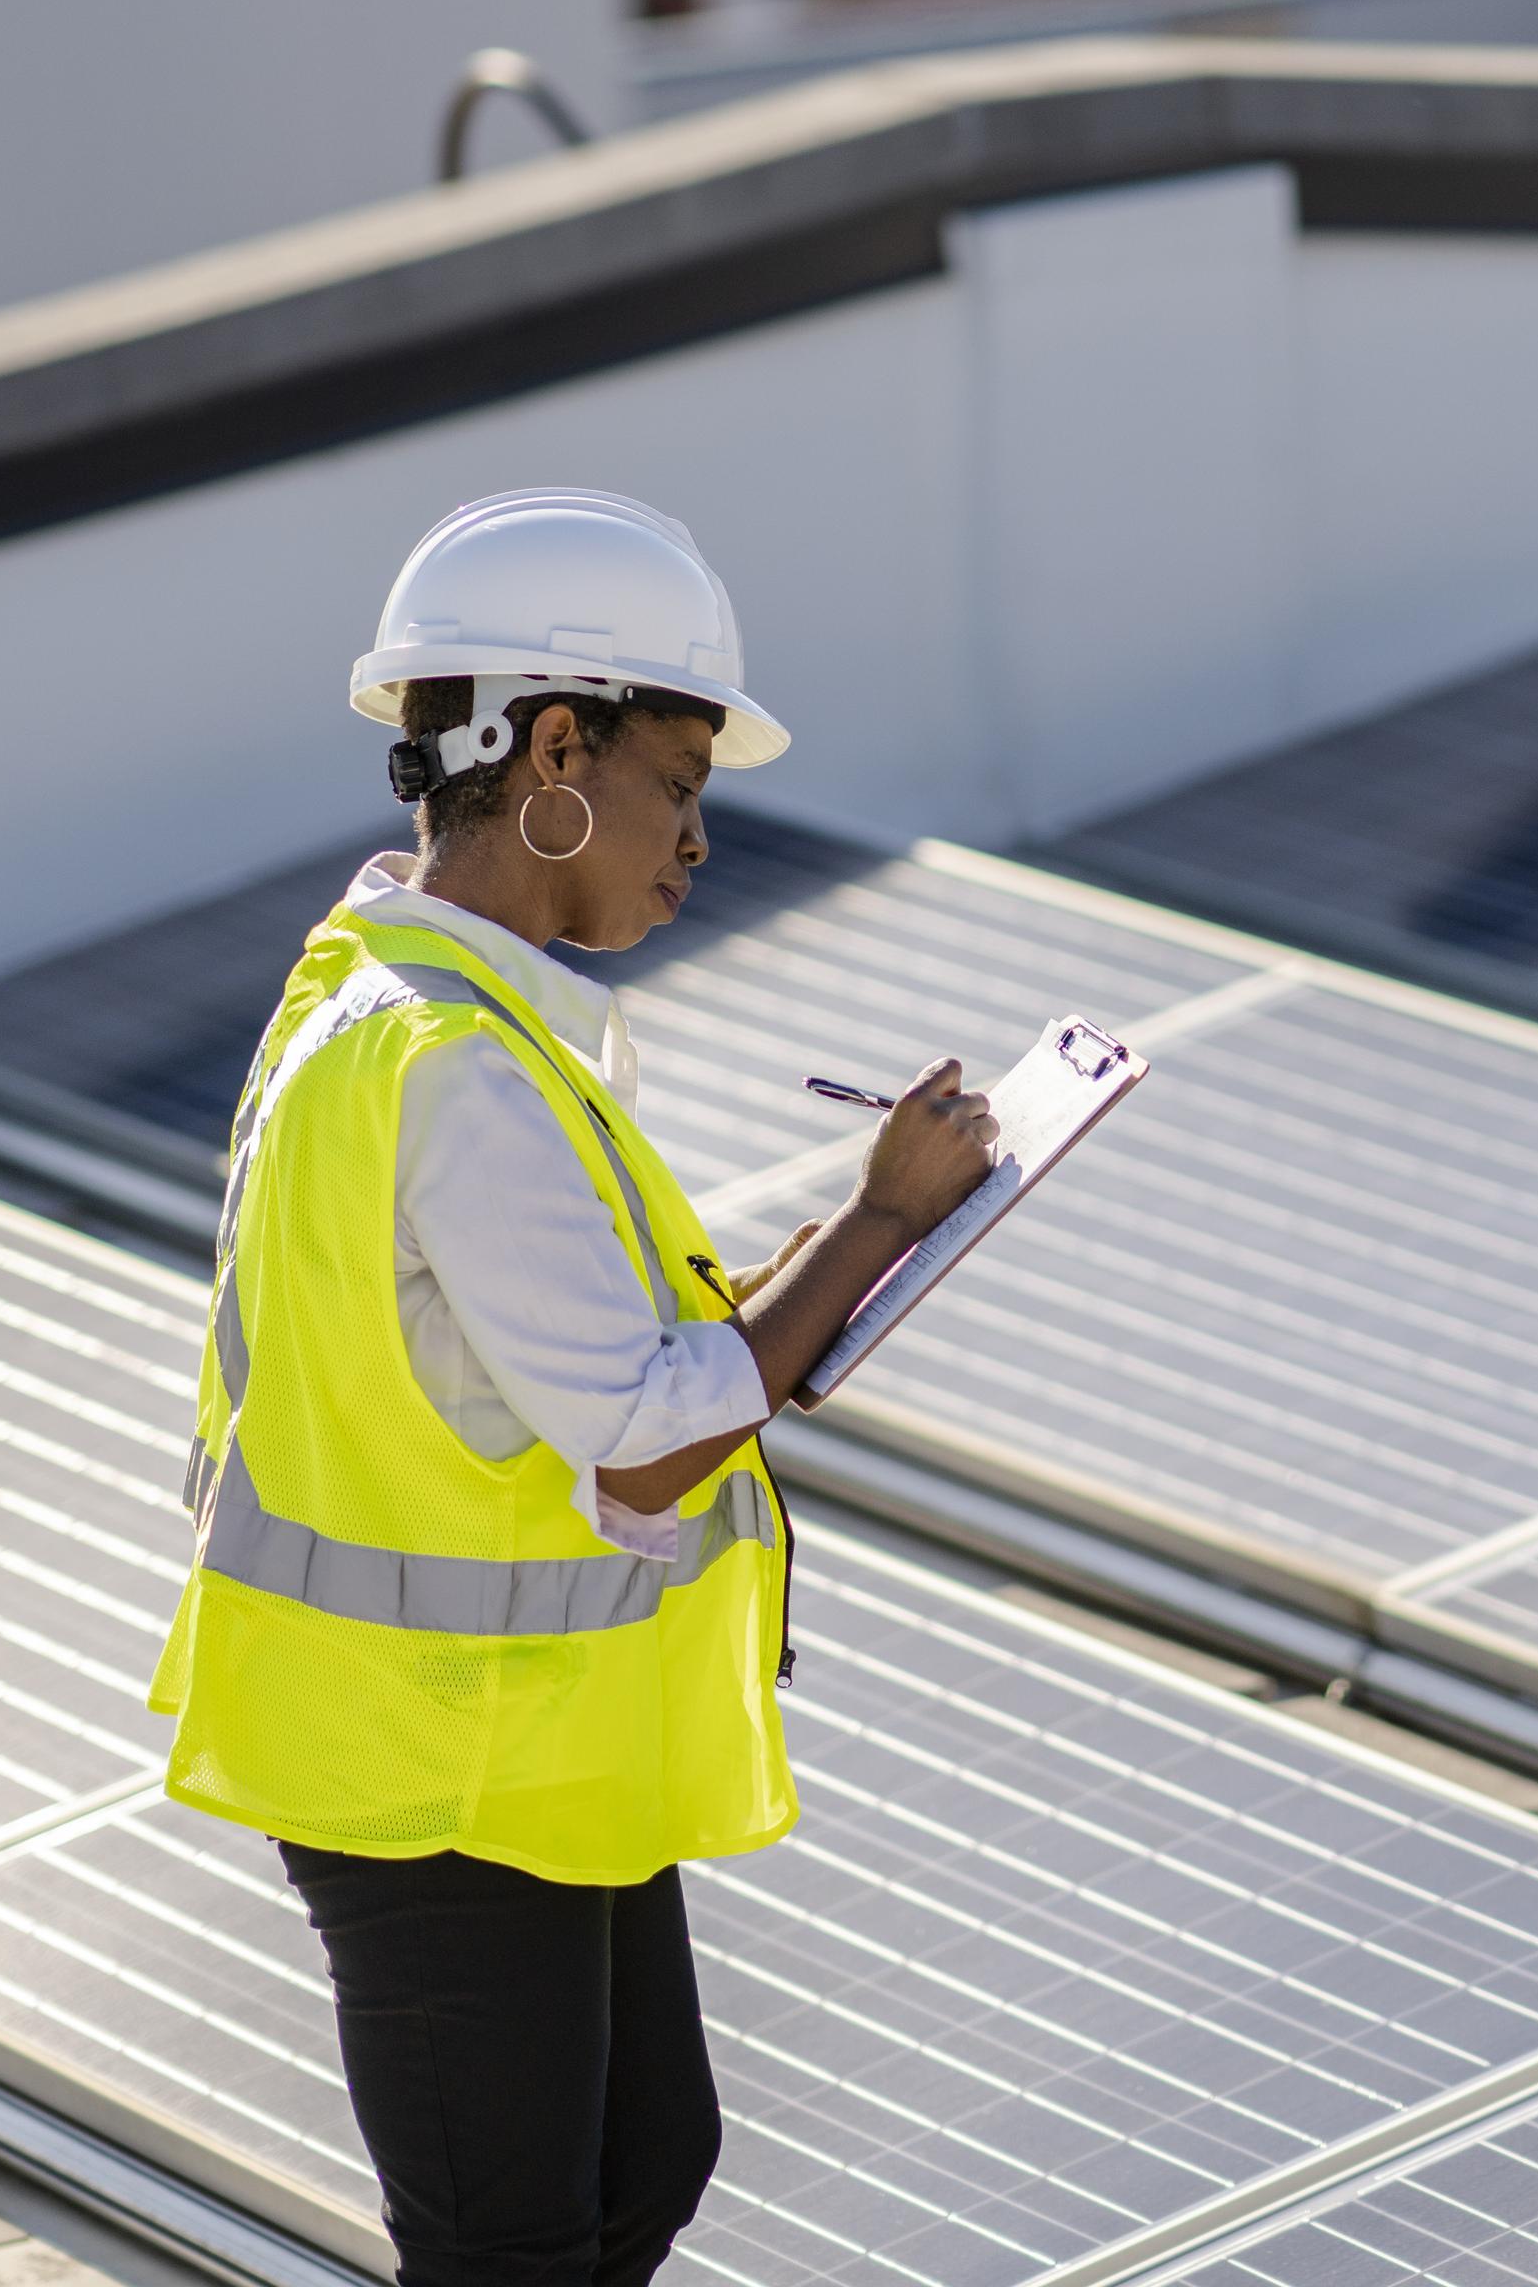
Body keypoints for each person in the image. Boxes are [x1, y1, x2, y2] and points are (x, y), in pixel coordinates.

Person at [147, 489, 998, 2287]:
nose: (698, 844)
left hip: (512, 1747)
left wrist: (828, 1278)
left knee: (638, 2172)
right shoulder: (452, 1062)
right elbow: (647, 1439)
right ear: (553, 748)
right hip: (428, 1772)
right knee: (516, 2249)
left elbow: (615, 1384)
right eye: (681, 786)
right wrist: (874, 1221)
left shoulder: (408, 1007)